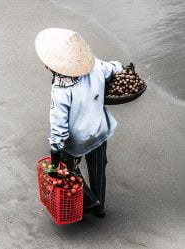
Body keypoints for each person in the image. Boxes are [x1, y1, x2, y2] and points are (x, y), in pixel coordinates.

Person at [35, 28, 123, 218]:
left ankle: (91, 202)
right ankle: (100, 208)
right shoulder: (97, 66)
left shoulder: (61, 90)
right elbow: (116, 68)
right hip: (99, 131)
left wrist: (55, 151)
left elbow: (59, 126)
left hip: (78, 141)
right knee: (98, 169)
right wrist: (121, 67)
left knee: (66, 170)